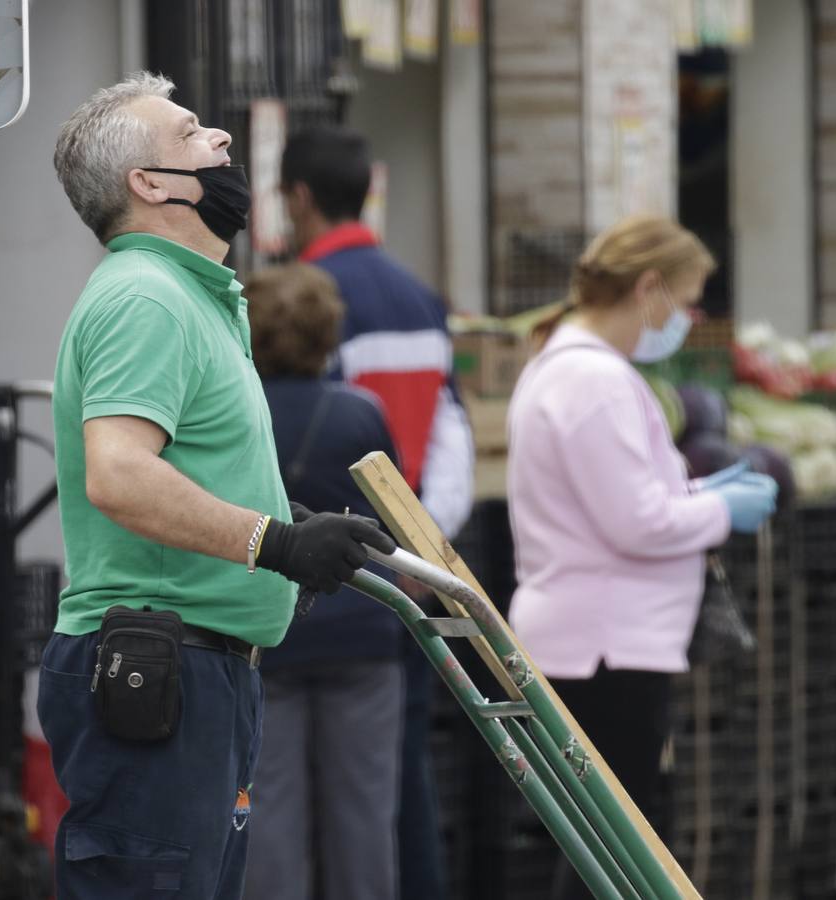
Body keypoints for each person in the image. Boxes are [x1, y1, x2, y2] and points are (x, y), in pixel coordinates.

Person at [42, 73, 395, 900]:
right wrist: (272, 542)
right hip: (162, 668)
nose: (223, 142)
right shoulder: (148, 298)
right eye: (193, 132)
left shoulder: (189, 295)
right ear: (150, 184)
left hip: (195, 669)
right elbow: (119, 473)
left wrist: (282, 525)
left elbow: (178, 466)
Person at [504, 215, 778, 900]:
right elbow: (636, 521)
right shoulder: (593, 380)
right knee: (615, 850)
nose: (685, 318)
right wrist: (719, 509)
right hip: (605, 643)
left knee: (602, 844)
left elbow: (623, 500)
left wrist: (694, 491)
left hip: (596, 635)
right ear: (647, 288)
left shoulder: (571, 369)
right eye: (684, 301)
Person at [281, 125, 474, 900]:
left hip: (333, 576)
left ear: (297, 197)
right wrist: (427, 551)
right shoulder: (420, 297)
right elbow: (452, 431)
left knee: (303, 809)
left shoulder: (308, 301)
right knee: (393, 794)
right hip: (412, 575)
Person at [241, 263, 405, 900]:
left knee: (270, 814)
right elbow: (399, 518)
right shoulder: (361, 412)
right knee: (364, 815)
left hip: (270, 631)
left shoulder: (239, 411)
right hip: (363, 633)